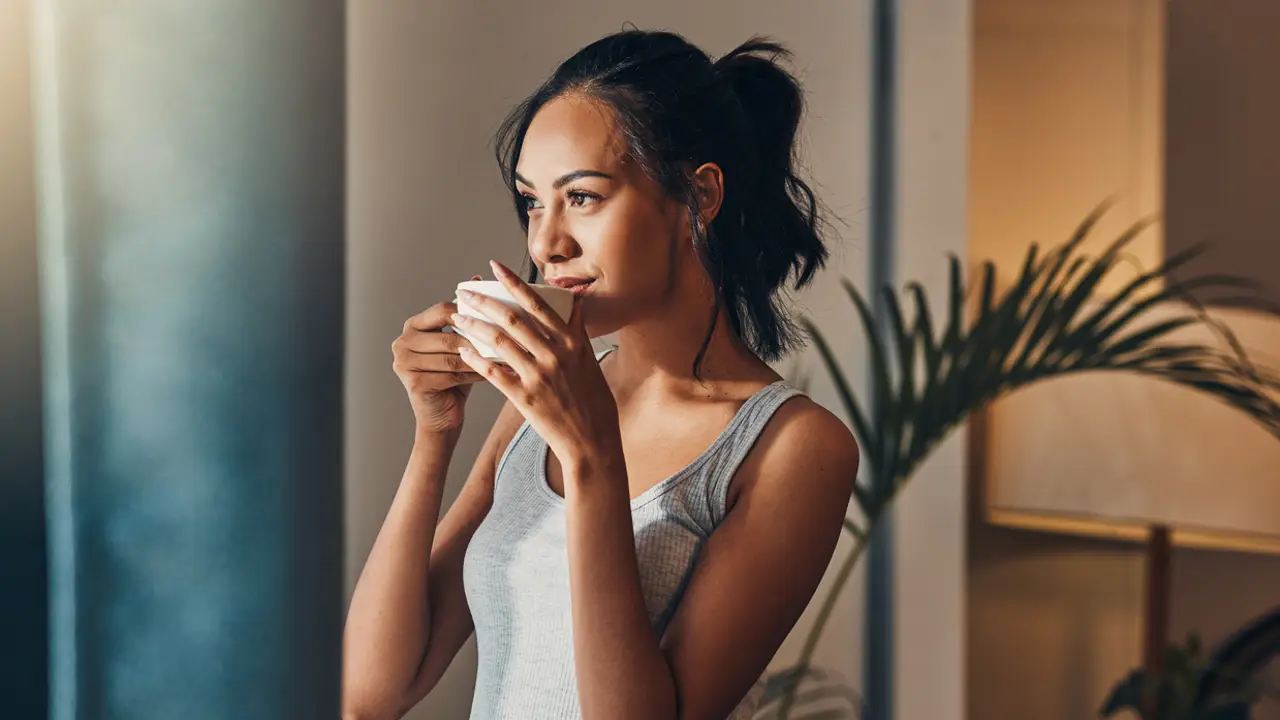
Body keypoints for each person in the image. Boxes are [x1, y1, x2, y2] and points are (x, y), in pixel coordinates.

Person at [342, 28, 860, 720]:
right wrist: (433, 434)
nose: (546, 244)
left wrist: (591, 458)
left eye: (582, 197)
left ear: (699, 197)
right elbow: (372, 691)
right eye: (532, 202)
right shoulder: (536, 407)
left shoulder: (794, 448)